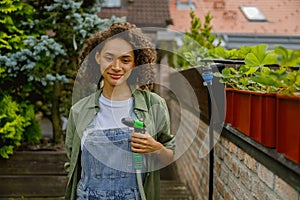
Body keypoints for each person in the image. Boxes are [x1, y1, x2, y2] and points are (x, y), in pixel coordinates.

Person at [64, 22, 175, 200]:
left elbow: (170, 155)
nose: (116, 67)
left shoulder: (154, 105)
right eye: (109, 57)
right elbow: (73, 163)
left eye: (125, 60)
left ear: (135, 63)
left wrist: (156, 148)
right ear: (98, 57)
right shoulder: (78, 111)